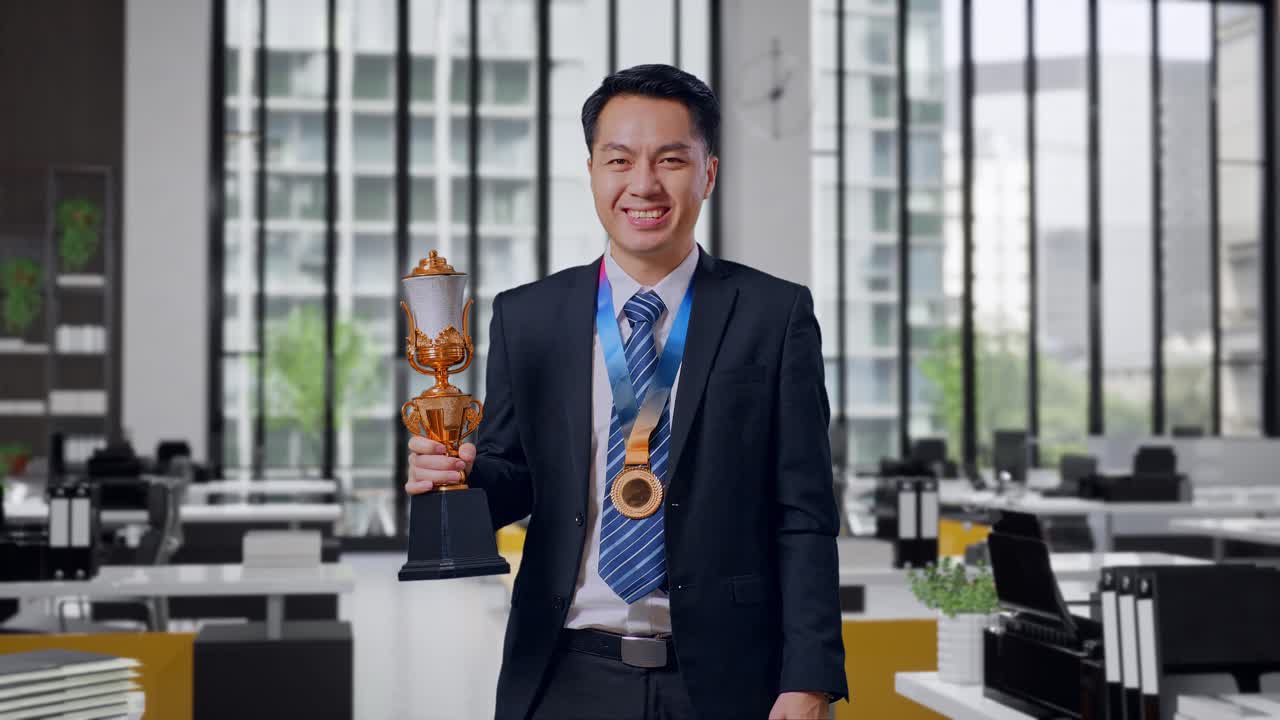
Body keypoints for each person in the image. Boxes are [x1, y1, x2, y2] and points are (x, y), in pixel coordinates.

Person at [406, 63, 846, 720]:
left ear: (709, 173)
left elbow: (805, 513)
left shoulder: (772, 316)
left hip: (726, 681)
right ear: (592, 171)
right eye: (620, 160)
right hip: (564, 672)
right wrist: (456, 477)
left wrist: (808, 677)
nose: (643, 184)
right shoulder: (528, 317)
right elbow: (515, 479)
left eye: (670, 160)